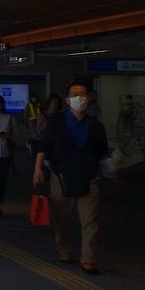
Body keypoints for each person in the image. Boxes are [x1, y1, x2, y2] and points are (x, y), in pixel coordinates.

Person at [32, 83, 111, 274]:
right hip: (61, 177)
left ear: (89, 98)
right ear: (67, 100)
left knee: (90, 220)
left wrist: (111, 164)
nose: (79, 98)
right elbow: (44, 146)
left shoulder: (96, 126)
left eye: (83, 95)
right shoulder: (56, 122)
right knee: (62, 217)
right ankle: (64, 249)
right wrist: (38, 169)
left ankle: (88, 259)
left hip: (89, 178)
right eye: (75, 95)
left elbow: (102, 152)